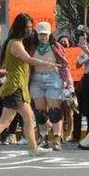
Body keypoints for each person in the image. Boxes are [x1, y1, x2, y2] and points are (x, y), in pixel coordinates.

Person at [0, 13, 55, 160]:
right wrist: (49, 64)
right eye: (27, 27)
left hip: (18, 88)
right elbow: (28, 59)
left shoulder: (13, 43)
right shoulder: (15, 44)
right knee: (5, 122)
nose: (29, 30)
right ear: (20, 28)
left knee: (29, 118)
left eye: (30, 27)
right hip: (14, 87)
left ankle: (33, 148)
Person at [29, 21, 70, 151]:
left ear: (50, 34)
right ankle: (43, 137)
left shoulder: (56, 46)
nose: (43, 37)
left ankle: (57, 137)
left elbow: (65, 65)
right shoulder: (32, 47)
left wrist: (69, 83)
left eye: (45, 34)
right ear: (36, 34)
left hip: (53, 78)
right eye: (40, 34)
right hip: (36, 78)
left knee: (54, 112)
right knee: (40, 113)